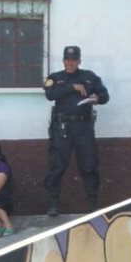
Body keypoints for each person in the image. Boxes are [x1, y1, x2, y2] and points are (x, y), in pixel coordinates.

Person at [44, 45, 110, 214]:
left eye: (74, 60)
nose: (70, 63)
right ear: (63, 60)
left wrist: (97, 98)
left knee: (89, 165)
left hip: (83, 127)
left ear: (79, 61)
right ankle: (53, 204)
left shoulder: (90, 77)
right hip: (62, 127)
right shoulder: (55, 77)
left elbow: (104, 96)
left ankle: (93, 204)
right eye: (67, 59)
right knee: (57, 166)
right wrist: (72, 87)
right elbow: (50, 94)